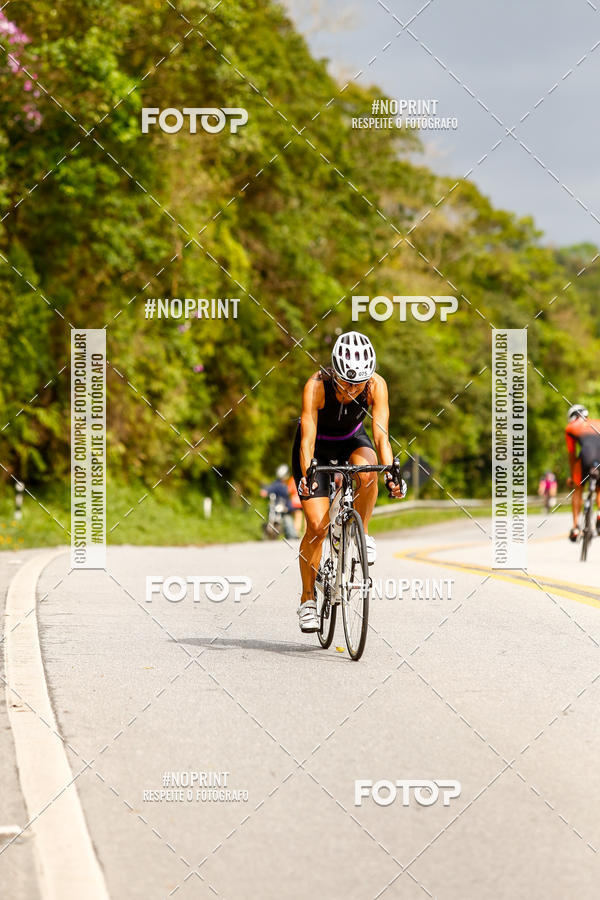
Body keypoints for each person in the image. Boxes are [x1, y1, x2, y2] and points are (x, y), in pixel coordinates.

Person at [291, 331, 405, 633]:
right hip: (317, 447)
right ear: (334, 373)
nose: (354, 389)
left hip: (351, 439)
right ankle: (307, 600)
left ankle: (362, 533)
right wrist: (306, 477)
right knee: (317, 526)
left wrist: (391, 471)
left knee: (368, 472)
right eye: (347, 382)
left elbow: (380, 433)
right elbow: (307, 439)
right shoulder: (316, 386)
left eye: (359, 383)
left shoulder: (376, 385)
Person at [565, 404, 600, 541]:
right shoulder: (597, 423)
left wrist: (572, 475)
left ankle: (575, 527)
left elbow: (572, 454)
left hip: (587, 456)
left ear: (572, 417)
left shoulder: (570, 428)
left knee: (578, 488)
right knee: (599, 489)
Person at [260, 464, 297, 539]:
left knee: (288, 520)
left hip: (286, 508)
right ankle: (290, 535)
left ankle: (292, 536)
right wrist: (265, 490)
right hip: (277, 508)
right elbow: (266, 490)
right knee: (287, 520)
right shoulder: (277, 484)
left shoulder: (286, 484)